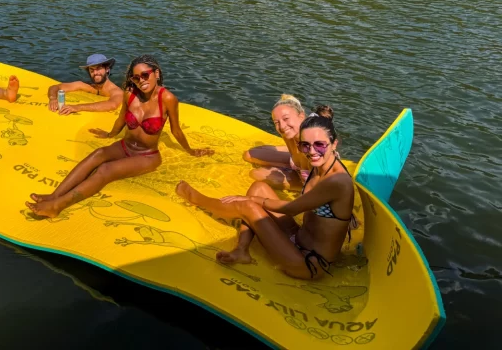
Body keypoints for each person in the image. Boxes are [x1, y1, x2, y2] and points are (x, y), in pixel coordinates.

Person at [175, 106, 355, 280]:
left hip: (307, 263)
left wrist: (251, 200)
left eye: (320, 145)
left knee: (247, 204)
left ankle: (196, 199)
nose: (313, 151)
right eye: (306, 146)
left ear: (334, 143)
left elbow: (291, 208)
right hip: (298, 238)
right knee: (259, 187)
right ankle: (242, 250)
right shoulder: (318, 165)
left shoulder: (336, 181)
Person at [26, 55, 213, 218]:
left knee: (105, 170)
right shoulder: (129, 95)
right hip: (125, 146)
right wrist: (110, 134)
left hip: (147, 156)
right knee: (97, 154)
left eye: (145, 75)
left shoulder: (168, 99)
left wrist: (191, 150)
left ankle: (57, 206)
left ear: (156, 74)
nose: (141, 80)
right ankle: (54, 195)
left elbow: (176, 130)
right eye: (136, 77)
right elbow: (121, 119)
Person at [243, 94, 311, 190]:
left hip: (310, 181)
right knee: (249, 154)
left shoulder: (311, 146)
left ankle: (293, 169)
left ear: (301, 116)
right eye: (276, 122)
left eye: (286, 118)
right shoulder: (288, 133)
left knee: (256, 174)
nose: (282, 126)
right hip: (297, 163)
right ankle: (291, 164)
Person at [46, 54, 123, 115]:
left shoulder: (116, 91)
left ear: (107, 69)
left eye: (98, 68)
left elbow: (112, 105)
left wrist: (78, 107)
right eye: (92, 70)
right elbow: (56, 87)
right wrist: (53, 98)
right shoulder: (84, 85)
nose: (95, 73)